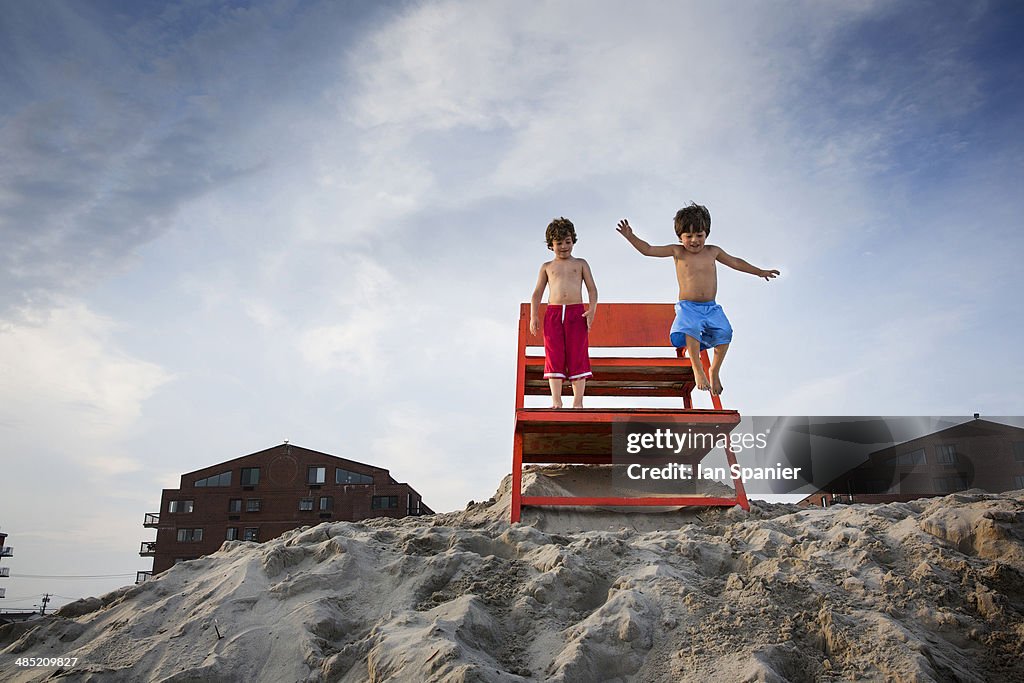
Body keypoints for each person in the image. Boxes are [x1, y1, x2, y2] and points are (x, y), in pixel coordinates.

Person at [616, 202, 778, 396]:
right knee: (691, 329)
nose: (694, 240)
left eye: (699, 235)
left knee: (725, 333)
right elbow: (648, 249)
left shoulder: (713, 251)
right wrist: (630, 236)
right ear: (679, 237)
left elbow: (736, 262)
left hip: (711, 307)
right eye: (688, 236)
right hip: (688, 307)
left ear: (706, 233)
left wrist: (759, 272)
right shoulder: (677, 252)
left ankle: (714, 371)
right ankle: (697, 368)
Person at [530, 217, 598, 408]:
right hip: (553, 313)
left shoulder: (581, 263)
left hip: (577, 313)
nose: (564, 247)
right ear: (551, 245)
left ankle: (578, 401)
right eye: (558, 243)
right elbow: (537, 293)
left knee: (578, 353)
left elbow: (592, 289)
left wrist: (592, 309)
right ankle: (556, 400)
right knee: (554, 354)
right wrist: (534, 315)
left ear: (573, 241)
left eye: (567, 242)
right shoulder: (547, 267)